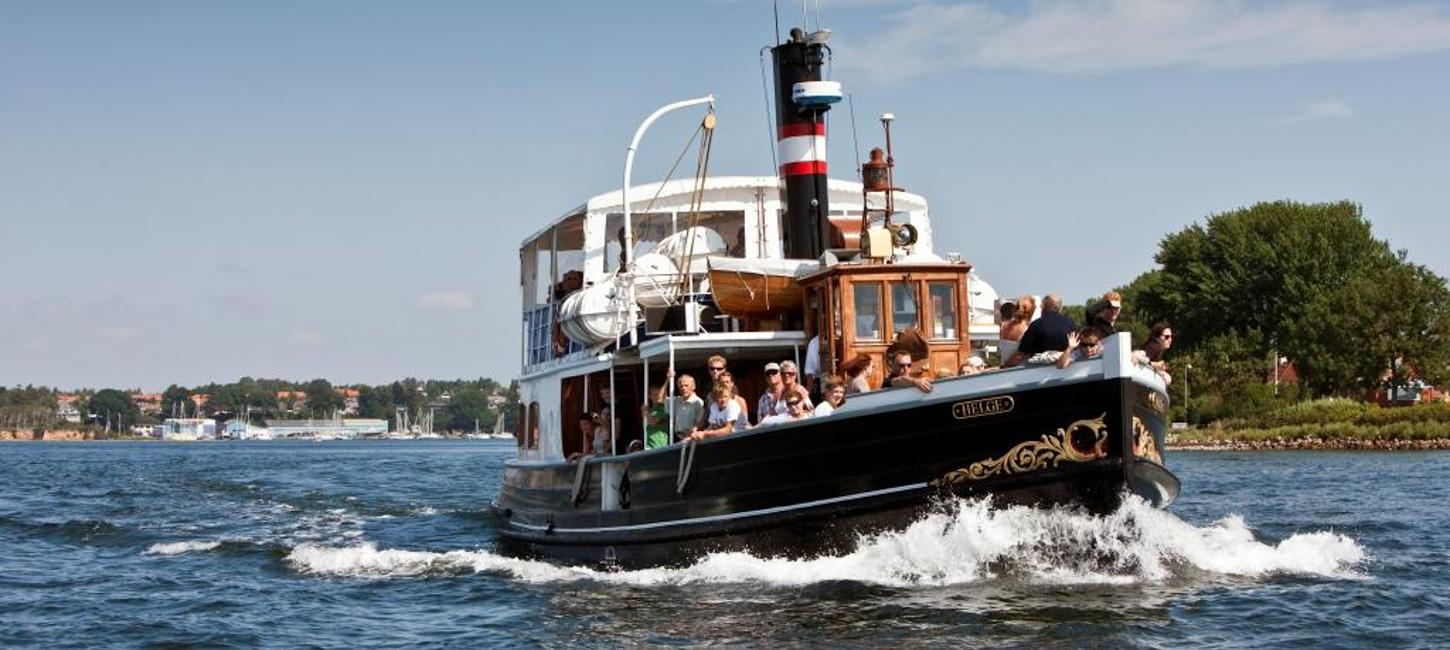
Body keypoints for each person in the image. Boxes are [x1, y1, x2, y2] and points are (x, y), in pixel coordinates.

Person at [1004, 294, 1075, 367]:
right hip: (1065, 368)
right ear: (1060, 308)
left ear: (1044, 307)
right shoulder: (1071, 324)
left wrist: (1004, 367)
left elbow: (1020, 355)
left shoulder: (1036, 325)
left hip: (1038, 371)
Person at [998, 295, 1036, 368]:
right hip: (1019, 371)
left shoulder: (1003, 326)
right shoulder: (1028, 330)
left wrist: (1003, 366)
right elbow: (1019, 355)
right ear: (1031, 311)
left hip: (1003, 370)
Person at [670, 374, 705, 441]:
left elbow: (700, 423)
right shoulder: (676, 401)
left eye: (686, 385)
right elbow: (660, 398)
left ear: (693, 386)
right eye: (681, 386)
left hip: (691, 439)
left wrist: (689, 436)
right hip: (677, 437)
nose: (683, 388)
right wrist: (668, 379)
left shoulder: (698, 402)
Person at [641, 384, 670, 449]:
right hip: (649, 443)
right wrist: (643, 412)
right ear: (649, 396)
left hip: (660, 444)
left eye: (659, 394)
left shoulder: (663, 408)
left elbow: (653, 423)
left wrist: (645, 412)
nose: (657, 397)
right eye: (655, 395)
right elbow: (644, 426)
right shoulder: (649, 410)